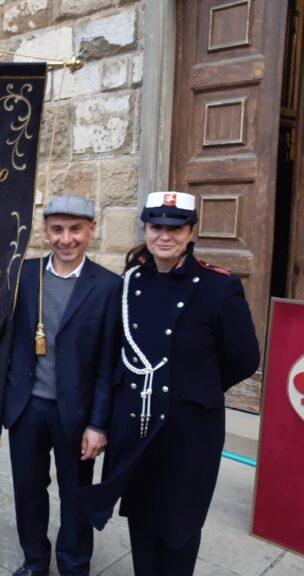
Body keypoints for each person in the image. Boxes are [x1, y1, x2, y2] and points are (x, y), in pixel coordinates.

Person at [79, 191, 260, 575]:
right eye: (156, 226)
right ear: (145, 230)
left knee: (180, 526)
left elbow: (244, 359)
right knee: (141, 515)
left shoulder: (218, 287)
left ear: (191, 233)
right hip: (137, 423)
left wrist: (196, 388)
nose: (165, 235)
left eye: (175, 228)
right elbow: (114, 354)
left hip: (190, 429)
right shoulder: (130, 283)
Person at [0, 195, 122, 576]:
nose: (66, 239)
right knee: (28, 490)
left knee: (76, 493)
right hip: (27, 407)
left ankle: (74, 563)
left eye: (75, 229)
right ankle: (34, 560)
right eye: (57, 229)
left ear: (91, 230)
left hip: (75, 412)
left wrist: (98, 424)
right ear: (45, 231)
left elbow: (108, 363)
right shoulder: (24, 275)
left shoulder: (108, 287)